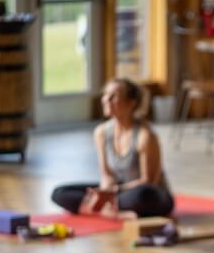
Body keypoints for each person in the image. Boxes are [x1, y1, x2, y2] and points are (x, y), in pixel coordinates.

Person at [51, 78, 174, 218]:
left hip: (148, 195)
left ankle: (103, 209)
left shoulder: (145, 135)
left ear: (131, 103)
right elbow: (107, 174)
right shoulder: (102, 132)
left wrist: (113, 192)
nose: (106, 100)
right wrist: (103, 193)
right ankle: (113, 211)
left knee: (143, 195)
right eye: (105, 95)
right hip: (118, 193)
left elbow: (149, 181)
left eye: (113, 96)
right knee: (59, 193)